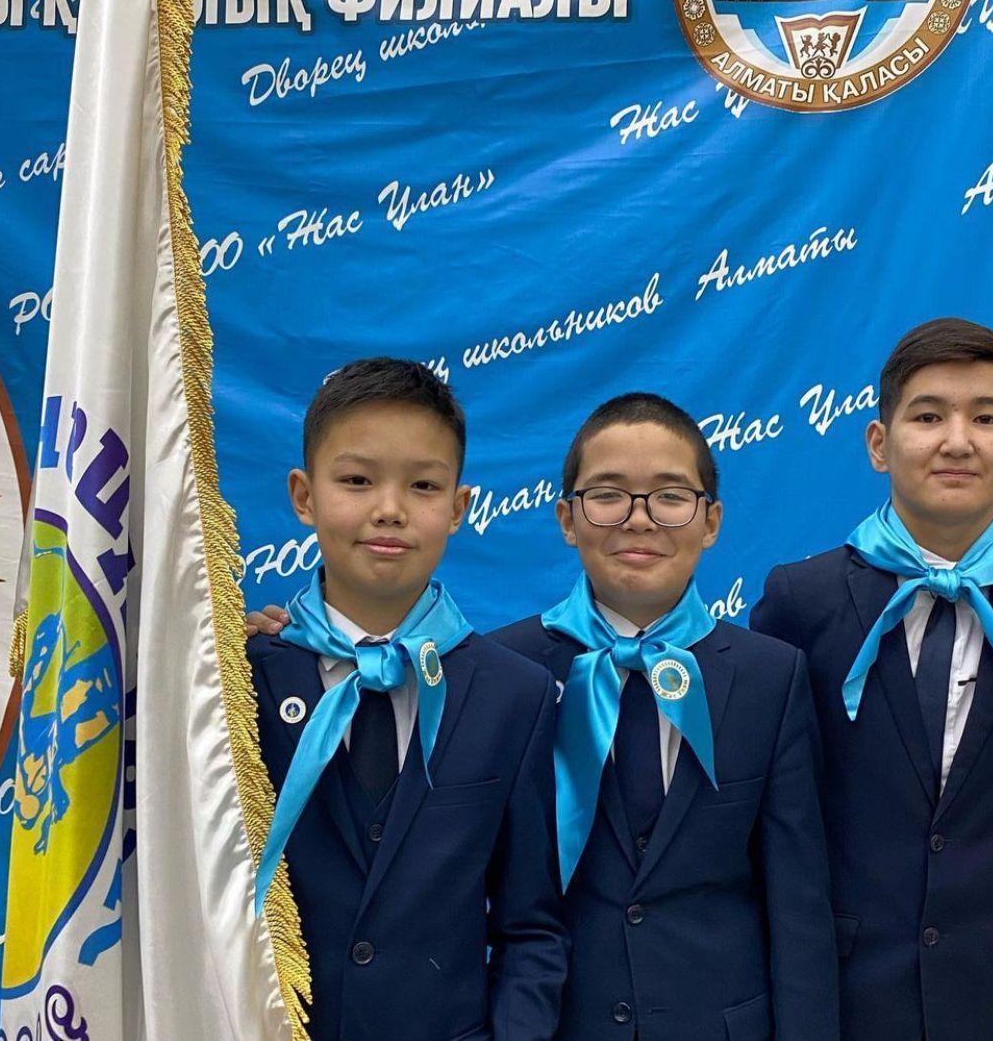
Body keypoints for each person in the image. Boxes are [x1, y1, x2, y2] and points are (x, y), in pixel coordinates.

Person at [751, 318, 993, 1041]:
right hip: (846, 981)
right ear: (879, 443)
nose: (957, 440)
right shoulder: (801, 601)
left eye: (985, 417)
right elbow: (779, 803)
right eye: (927, 416)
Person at [492, 394, 838, 1041]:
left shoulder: (770, 676)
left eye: (670, 497)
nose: (638, 519)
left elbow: (798, 902)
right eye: (607, 496)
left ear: (711, 521)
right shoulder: (504, 670)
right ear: (566, 518)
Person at [247, 358, 567, 1041]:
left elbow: (530, 925)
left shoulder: (515, 695)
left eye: (423, 485)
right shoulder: (237, 680)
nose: (389, 508)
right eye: (356, 480)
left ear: (458, 508)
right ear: (303, 495)